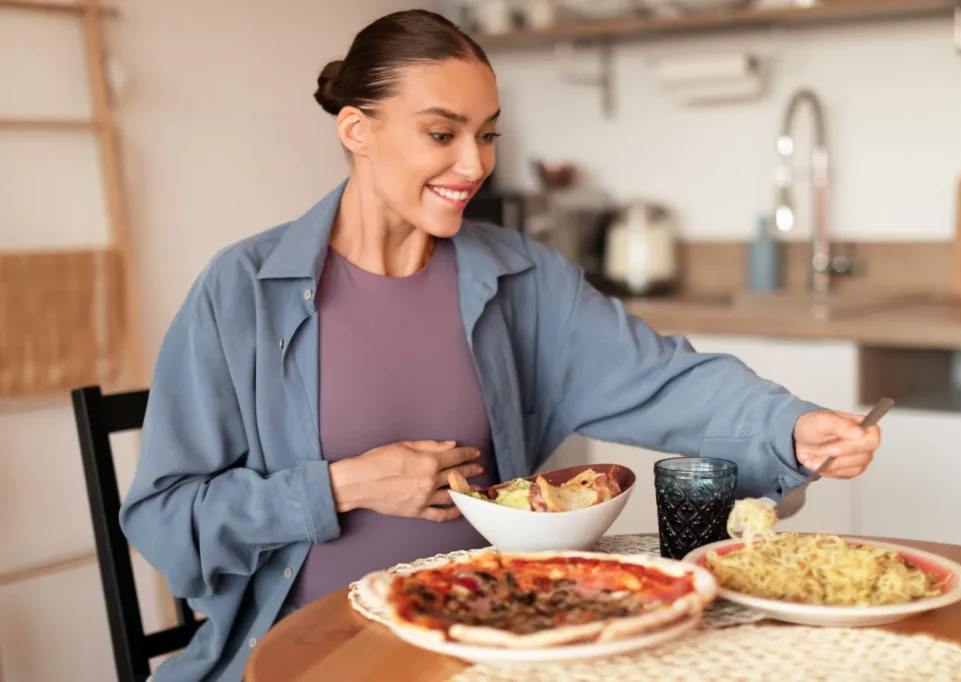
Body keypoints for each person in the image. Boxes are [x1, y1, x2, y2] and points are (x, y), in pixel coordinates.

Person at [120, 8, 881, 681]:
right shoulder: (242, 290)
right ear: (357, 130)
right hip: (309, 655)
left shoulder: (521, 278)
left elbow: (662, 381)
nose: (475, 164)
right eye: (442, 134)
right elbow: (166, 518)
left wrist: (789, 426)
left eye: (486, 135)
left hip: (495, 647)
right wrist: (341, 485)